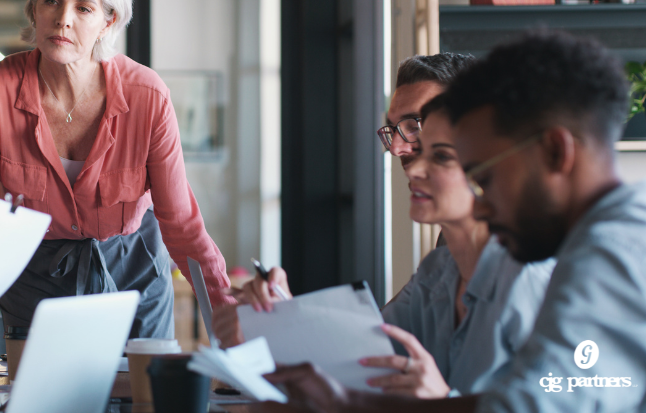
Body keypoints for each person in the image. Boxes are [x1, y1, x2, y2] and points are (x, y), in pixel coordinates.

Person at [264, 31, 646, 412]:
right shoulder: (606, 240)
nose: (483, 207)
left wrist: (348, 405)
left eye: (486, 178)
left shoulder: (616, 255)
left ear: (556, 152)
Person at [0, 0, 232, 338]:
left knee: (141, 399)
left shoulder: (147, 95)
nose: (63, 20)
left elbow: (180, 223)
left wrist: (228, 316)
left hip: (133, 273)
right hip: (34, 277)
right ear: (33, 8)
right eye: (51, 1)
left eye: (83, 8)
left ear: (108, 21)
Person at [218, 56, 554, 398]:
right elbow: (364, 357)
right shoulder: (438, 273)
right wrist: (280, 314)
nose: (397, 149)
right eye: (393, 130)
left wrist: (441, 404)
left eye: (417, 126)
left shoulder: (535, 283)